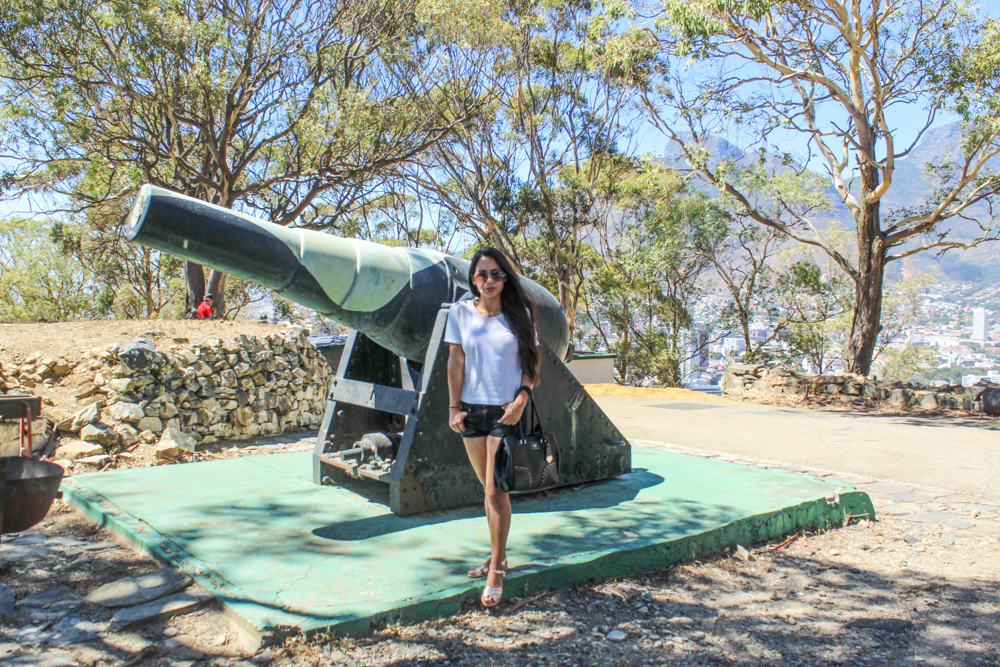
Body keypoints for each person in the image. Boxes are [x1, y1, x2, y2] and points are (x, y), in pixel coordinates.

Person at [444, 247, 540, 608]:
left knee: (495, 491)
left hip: (505, 414)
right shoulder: (460, 313)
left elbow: (532, 364)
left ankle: (496, 570)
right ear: (473, 278)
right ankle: (497, 554)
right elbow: (456, 360)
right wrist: (454, 407)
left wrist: (521, 399)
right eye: (482, 274)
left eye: (497, 274)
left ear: (506, 278)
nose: (489, 281)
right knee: (487, 491)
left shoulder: (522, 314)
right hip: (471, 412)